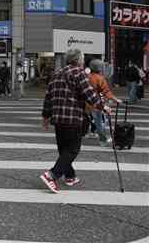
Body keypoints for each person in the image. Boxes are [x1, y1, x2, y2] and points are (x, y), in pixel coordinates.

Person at [41, 49, 111, 193]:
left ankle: (70, 176)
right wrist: (103, 106)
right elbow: (89, 94)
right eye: (82, 58)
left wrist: (45, 116)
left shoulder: (56, 74)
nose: (82, 61)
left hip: (58, 118)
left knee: (64, 149)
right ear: (78, 60)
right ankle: (51, 175)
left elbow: (48, 97)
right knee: (72, 149)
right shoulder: (79, 73)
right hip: (73, 117)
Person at [87, 59, 122, 146]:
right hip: (97, 104)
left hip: (87, 103)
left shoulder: (87, 76)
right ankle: (103, 140)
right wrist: (115, 99)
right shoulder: (99, 78)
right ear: (99, 68)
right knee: (100, 122)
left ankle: (93, 133)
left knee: (94, 120)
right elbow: (106, 91)